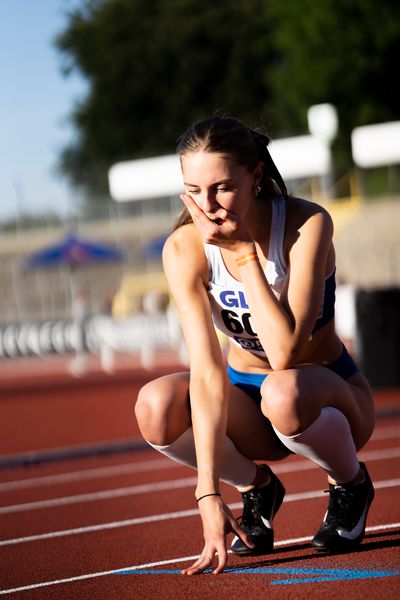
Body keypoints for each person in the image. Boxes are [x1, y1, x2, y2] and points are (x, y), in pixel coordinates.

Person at [135, 116, 375, 575]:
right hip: (247, 398)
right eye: (193, 189)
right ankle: (257, 487)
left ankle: (351, 483)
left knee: (281, 388)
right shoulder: (184, 248)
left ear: (256, 177)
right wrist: (208, 492)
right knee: (155, 406)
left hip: (327, 400)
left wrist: (245, 257)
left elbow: (283, 352)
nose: (207, 206)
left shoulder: (306, 224)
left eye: (222, 188)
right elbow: (207, 373)